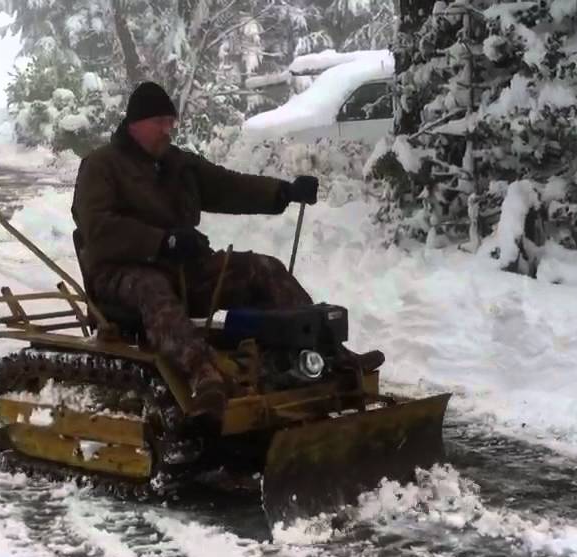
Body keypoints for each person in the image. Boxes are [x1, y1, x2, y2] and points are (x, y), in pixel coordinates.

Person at [71, 81, 368, 417]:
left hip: (181, 269)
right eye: (160, 123)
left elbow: (229, 186)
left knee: (262, 268)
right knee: (152, 289)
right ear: (136, 123)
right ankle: (203, 375)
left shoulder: (177, 164)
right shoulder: (101, 165)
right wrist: (161, 241)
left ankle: (329, 353)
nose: (168, 131)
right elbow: (98, 227)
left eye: (171, 123)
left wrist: (283, 192)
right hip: (118, 273)